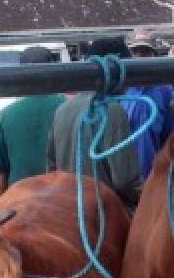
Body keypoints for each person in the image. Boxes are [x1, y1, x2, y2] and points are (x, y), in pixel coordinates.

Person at [47, 37, 142, 211]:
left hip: (69, 210)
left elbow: (52, 167)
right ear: (116, 72)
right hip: (104, 217)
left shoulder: (62, 110)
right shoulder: (113, 112)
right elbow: (124, 180)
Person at [0, 46, 65, 195]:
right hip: (61, 202)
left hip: (21, 205)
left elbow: (0, 175)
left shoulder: (5, 115)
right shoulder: (70, 110)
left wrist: (3, 206)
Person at [124, 28, 174, 178]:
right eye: (136, 52)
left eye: (145, 51)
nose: (140, 56)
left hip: (154, 174)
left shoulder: (163, 91)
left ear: (153, 54)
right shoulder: (122, 90)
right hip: (126, 178)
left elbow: (170, 135)